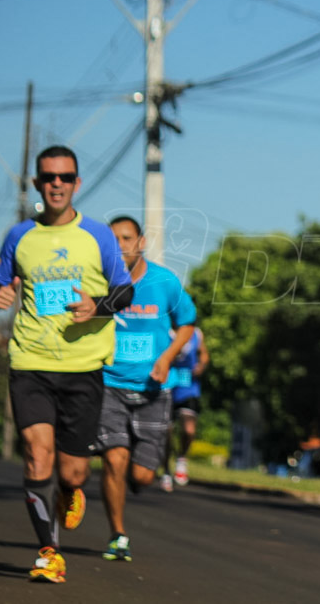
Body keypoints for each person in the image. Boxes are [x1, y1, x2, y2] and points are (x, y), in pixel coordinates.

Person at [0, 145, 133, 583]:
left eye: (65, 177)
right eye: (49, 177)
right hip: (29, 360)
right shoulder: (20, 237)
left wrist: (98, 306)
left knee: (73, 470)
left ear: (76, 184)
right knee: (36, 454)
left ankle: (70, 491)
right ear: (36, 183)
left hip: (83, 366)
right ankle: (48, 552)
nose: (56, 184)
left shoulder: (100, 236)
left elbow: (126, 293)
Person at [94, 216, 195, 562]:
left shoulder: (164, 281)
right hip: (110, 383)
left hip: (154, 389)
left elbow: (187, 323)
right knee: (114, 459)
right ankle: (117, 534)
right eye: (113, 239)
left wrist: (168, 356)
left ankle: (136, 479)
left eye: (126, 238)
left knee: (142, 475)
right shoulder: (98, 279)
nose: (120, 245)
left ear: (140, 243)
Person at [161, 325, 209, 490]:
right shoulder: (163, 329)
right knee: (166, 432)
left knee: (189, 430)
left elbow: (204, 354)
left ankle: (181, 458)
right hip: (167, 387)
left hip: (188, 388)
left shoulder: (196, 333)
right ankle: (166, 469)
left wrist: (201, 365)